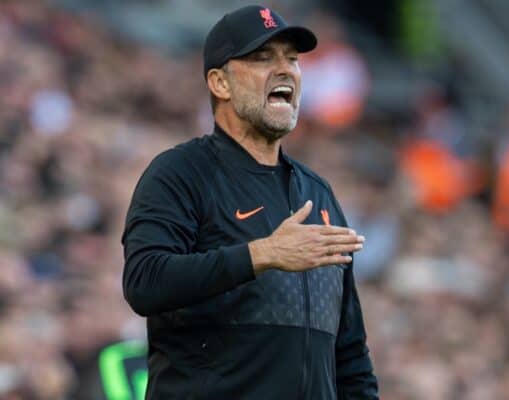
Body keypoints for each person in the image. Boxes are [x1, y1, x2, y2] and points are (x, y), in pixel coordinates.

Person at [121, 5, 379, 399]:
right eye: (262, 58)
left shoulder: (319, 194)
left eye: (291, 59)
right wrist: (262, 254)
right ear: (220, 84)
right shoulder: (180, 172)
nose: (286, 69)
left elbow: (349, 354)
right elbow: (145, 281)